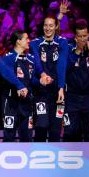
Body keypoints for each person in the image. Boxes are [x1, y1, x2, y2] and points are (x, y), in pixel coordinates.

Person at [30, 12, 69, 142]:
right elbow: (36, 61)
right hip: (41, 92)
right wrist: (43, 74)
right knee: (41, 124)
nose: (47, 28)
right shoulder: (35, 43)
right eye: (45, 25)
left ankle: (54, 159)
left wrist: (61, 87)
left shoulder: (62, 42)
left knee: (56, 128)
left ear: (56, 26)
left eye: (51, 25)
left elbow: (62, 65)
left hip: (58, 91)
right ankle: (39, 155)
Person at [2, 31, 38, 142]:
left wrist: (41, 81)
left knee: (27, 136)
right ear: (18, 41)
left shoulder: (31, 59)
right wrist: (17, 87)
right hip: (11, 103)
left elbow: (32, 80)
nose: (29, 41)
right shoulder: (8, 58)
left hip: (27, 103)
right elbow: (8, 76)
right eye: (26, 38)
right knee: (9, 136)